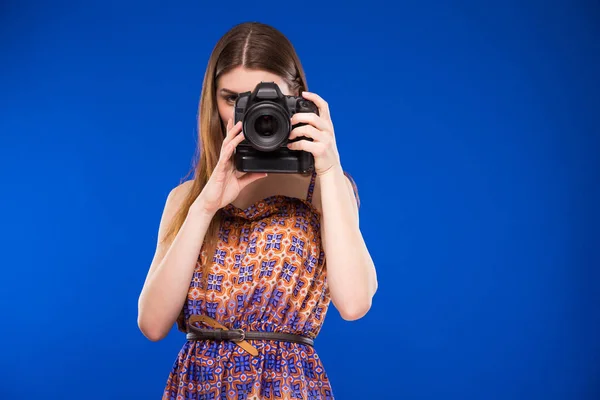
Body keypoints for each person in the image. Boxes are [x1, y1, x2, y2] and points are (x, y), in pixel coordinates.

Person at [137, 21, 378, 400]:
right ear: (211, 100)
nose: (248, 114)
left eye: (266, 99)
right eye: (231, 99)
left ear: (296, 98)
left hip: (285, 386)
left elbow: (354, 302)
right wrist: (206, 205)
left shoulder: (323, 188)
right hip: (199, 384)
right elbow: (152, 324)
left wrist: (329, 169)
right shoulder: (187, 199)